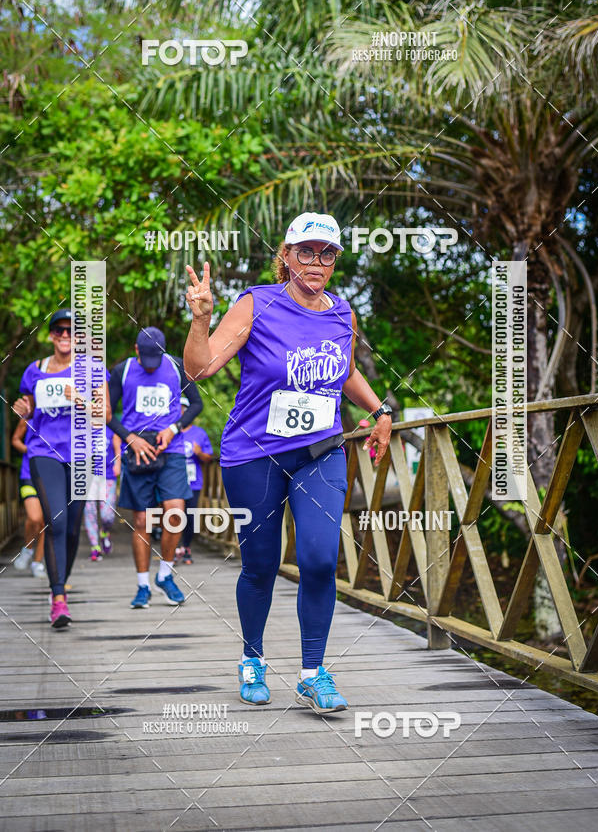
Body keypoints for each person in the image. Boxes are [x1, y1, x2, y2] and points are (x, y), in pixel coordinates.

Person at [183, 212, 392, 715]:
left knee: (320, 559)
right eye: (306, 252)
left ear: (335, 261)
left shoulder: (342, 313)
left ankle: (313, 673)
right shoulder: (257, 303)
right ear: (287, 255)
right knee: (261, 564)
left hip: (320, 451)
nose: (316, 262)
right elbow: (200, 368)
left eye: (327, 253)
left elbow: (345, 373)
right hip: (254, 455)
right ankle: (252, 660)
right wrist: (201, 320)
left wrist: (380, 411)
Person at [12, 309, 111, 628]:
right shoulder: (35, 370)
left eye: (72, 331)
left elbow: (106, 415)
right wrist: (23, 410)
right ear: (51, 335)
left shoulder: (93, 369)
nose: (65, 336)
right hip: (44, 452)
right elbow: (29, 410)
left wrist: (81, 399)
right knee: (56, 521)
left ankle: (61, 586)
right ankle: (58, 599)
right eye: (59, 330)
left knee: (71, 529)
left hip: (82, 455)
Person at [107, 327, 203, 608]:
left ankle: (165, 575)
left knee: (175, 514)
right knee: (142, 521)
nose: (151, 366)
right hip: (138, 452)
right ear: (136, 349)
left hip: (171, 451)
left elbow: (196, 404)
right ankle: (142, 586)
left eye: (156, 360)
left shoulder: (176, 366)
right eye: (147, 360)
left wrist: (174, 428)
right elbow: (107, 414)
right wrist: (130, 438)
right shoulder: (122, 371)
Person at [175, 396, 213, 565]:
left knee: (190, 516)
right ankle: (174, 548)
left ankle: (186, 547)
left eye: (185, 409)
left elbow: (208, 458)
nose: (182, 412)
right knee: (174, 514)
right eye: (179, 409)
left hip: (193, 481)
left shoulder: (199, 433)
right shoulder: (170, 431)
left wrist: (199, 453)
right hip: (173, 481)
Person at [12, 419, 46, 578]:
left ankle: (37, 563)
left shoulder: (60, 415)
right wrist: (29, 450)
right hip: (29, 474)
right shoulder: (28, 416)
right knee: (34, 518)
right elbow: (15, 440)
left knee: (45, 522)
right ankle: (27, 549)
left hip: (51, 475)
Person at [83, 429, 121, 561]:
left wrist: (118, 464)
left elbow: (117, 448)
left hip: (108, 475)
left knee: (107, 515)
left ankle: (105, 532)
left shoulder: (111, 429)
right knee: (89, 512)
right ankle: (95, 547)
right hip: (88, 476)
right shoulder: (81, 427)